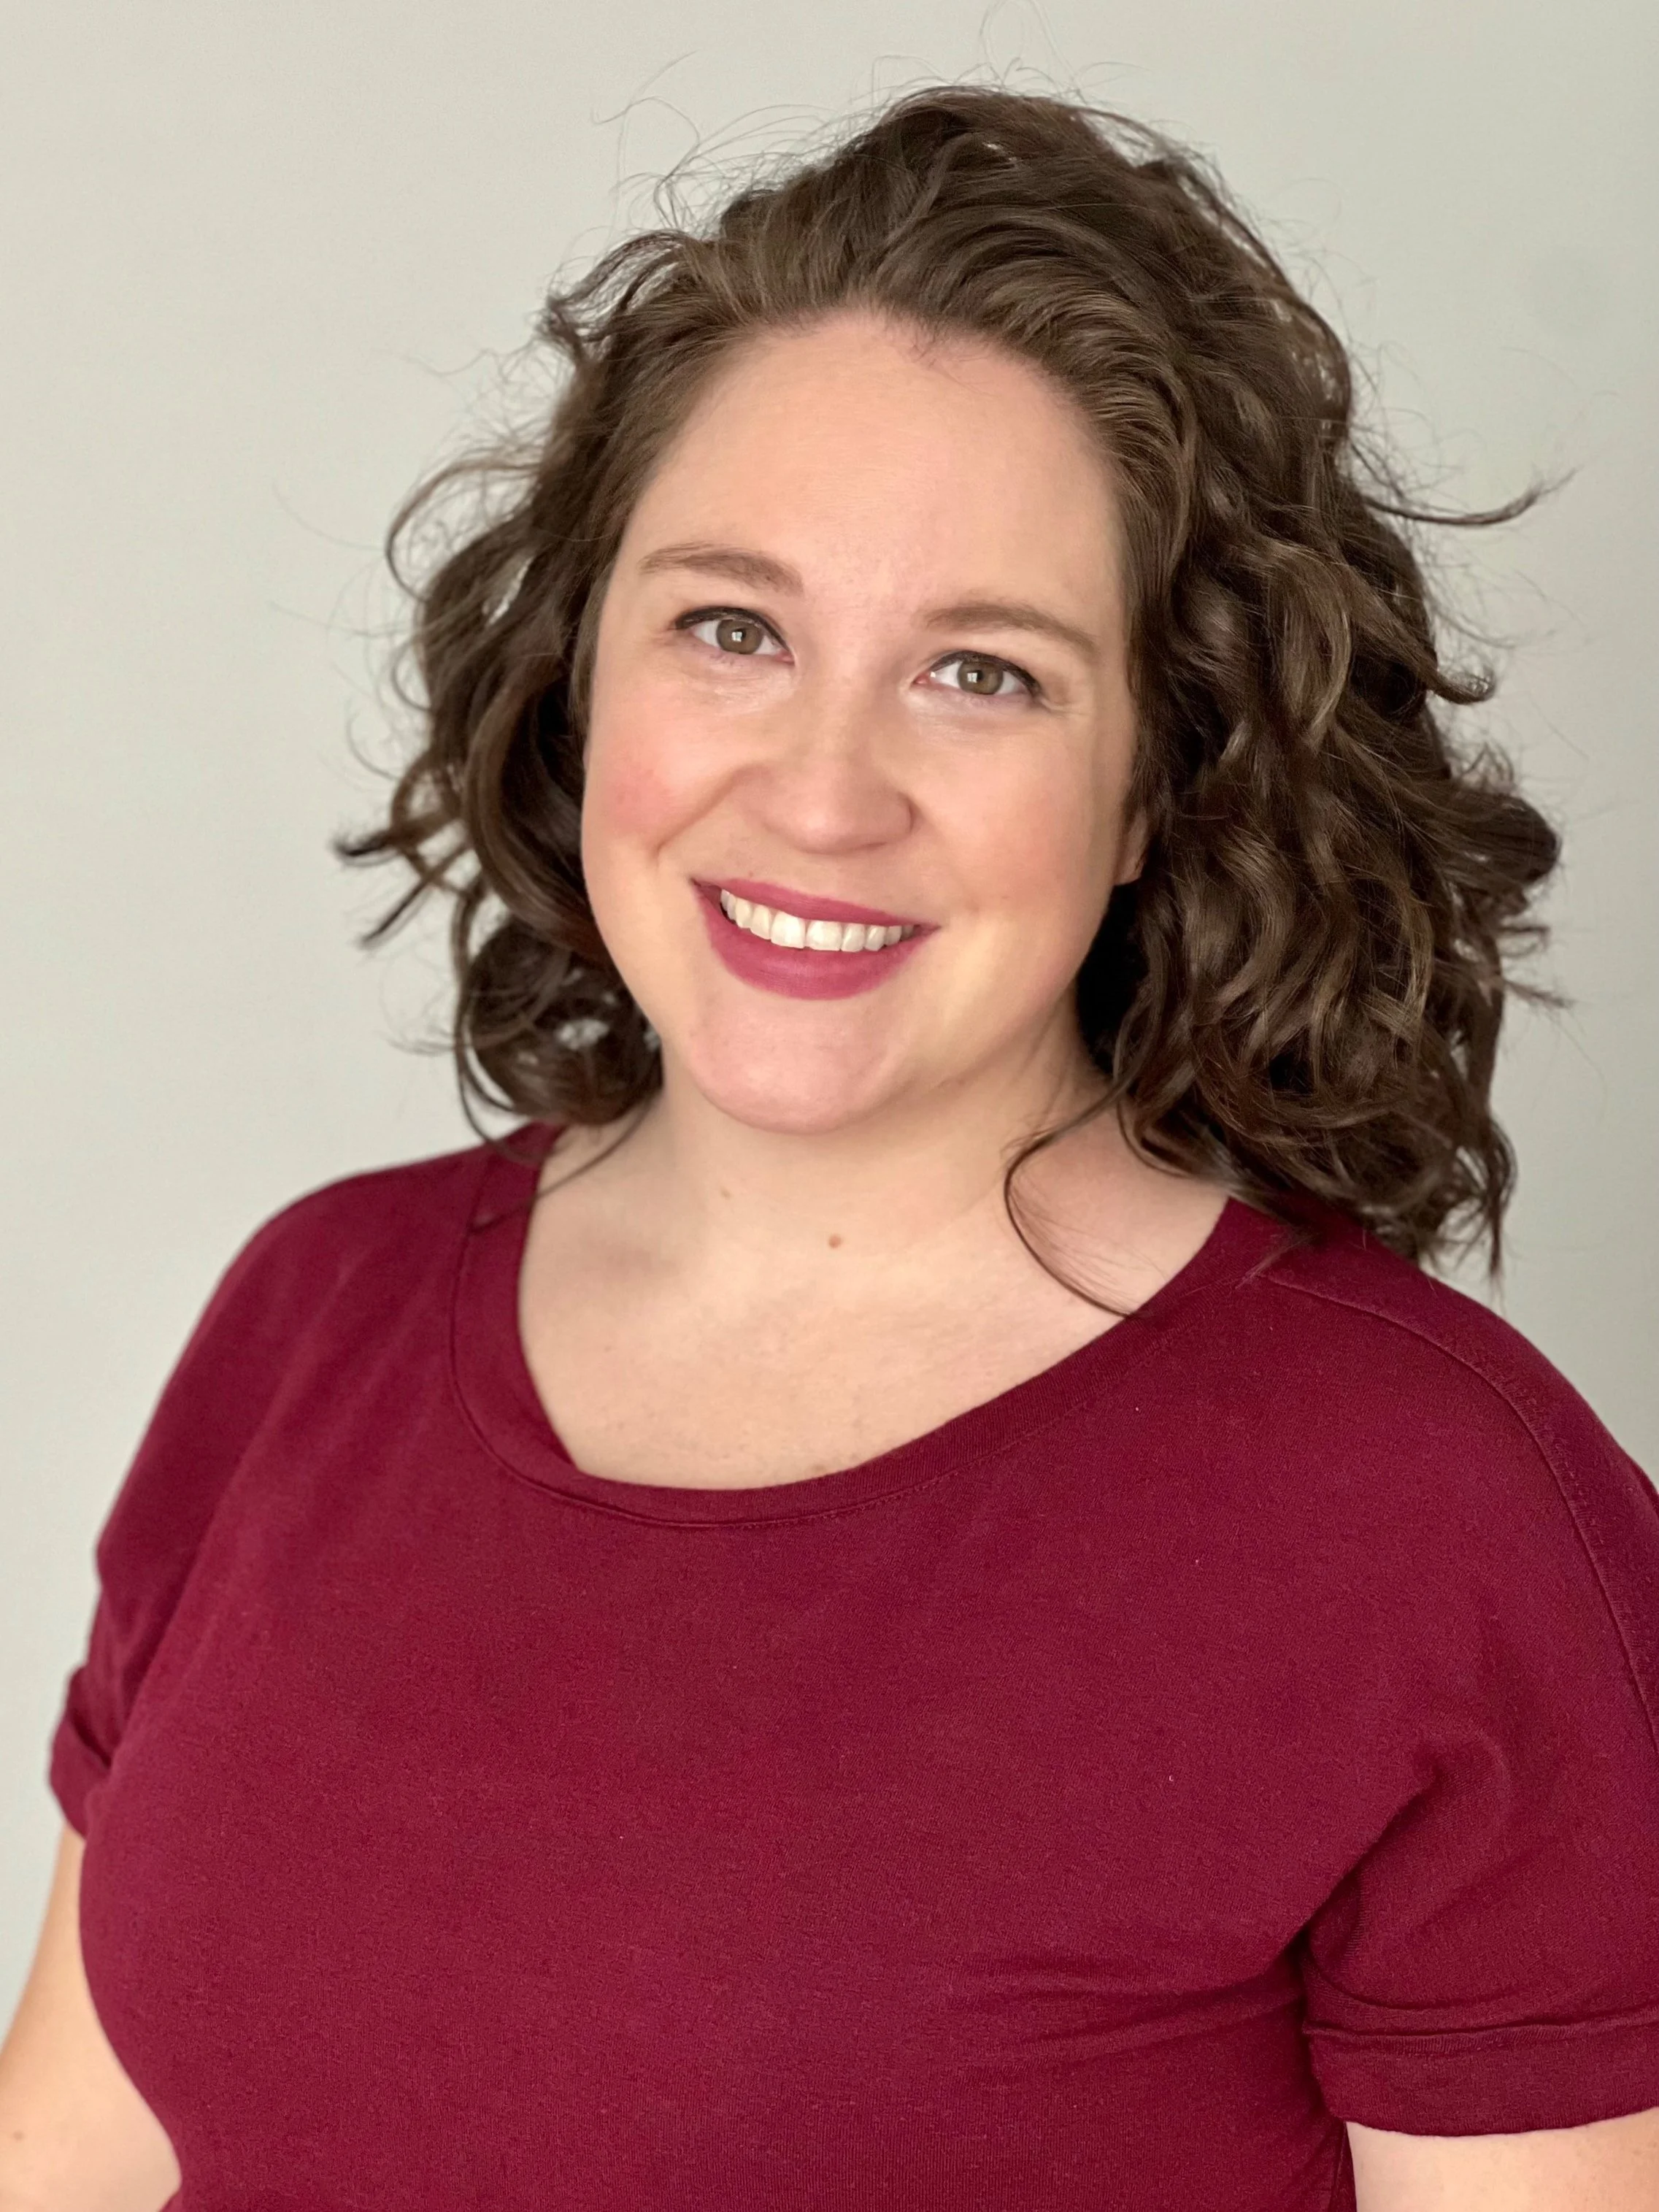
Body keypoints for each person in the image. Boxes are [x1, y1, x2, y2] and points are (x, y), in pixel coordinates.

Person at [2, 82, 1656, 2212]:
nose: (824, 790)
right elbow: (69, 2145)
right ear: (583, 669)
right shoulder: (313, 1316)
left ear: (1160, 782)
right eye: (731, 627)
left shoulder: (1441, 1517)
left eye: (983, 671)